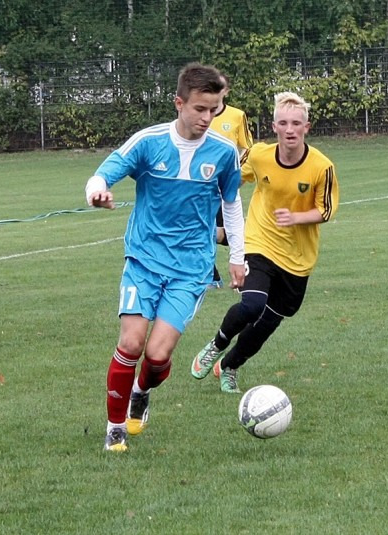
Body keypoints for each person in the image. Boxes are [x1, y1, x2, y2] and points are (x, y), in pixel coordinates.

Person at [86, 63, 246, 452]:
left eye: (214, 109)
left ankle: (141, 390)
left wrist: (237, 257)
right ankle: (115, 428)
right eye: (200, 109)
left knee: (157, 356)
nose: (207, 117)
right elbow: (103, 173)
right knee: (131, 343)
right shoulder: (149, 142)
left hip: (190, 269)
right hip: (144, 260)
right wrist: (97, 192)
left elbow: (232, 204)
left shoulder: (224, 153)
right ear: (179, 103)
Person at [191, 91, 339, 393]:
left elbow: (325, 210)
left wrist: (296, 218)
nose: (289, 129)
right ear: (274, 127)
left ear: (306, 127)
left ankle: (230, 366)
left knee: (268, 323)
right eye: (283, 123)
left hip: (298, 259)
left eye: (296, 123)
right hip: (259, 243)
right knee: (253, 304)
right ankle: (216, 345)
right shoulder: (259, 155)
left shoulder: (321, 167)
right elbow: (231, 178)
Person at [208, 73, 254, 288]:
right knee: (205, 230)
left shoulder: (237, 116)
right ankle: (211, 275)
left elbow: (248, 148)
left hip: (225, 184)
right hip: (203, 183)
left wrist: (236, 173)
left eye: (220, 87)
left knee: (218, 233)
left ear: (226, 91)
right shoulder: (200, 115)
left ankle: (249, 254)